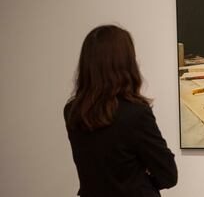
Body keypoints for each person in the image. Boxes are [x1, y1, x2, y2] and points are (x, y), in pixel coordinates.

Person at [64, 25, 177, 197]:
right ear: (126, 62)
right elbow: (168, 175)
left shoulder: (72, 111)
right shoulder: (136, 113)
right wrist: (141, 178)